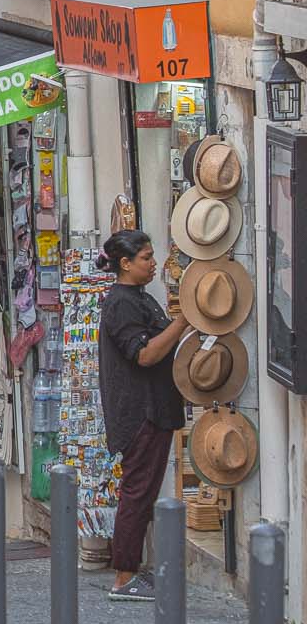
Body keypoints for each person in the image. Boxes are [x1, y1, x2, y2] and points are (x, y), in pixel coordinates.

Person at [97, 229, 189, 602]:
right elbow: (145, 354)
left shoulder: (139, 297)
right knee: (136, 492)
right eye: (147, 258)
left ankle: (132, 570)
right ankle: (124, 576)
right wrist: (182, 322)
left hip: (154, 408)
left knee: (143, 491)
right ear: (126, 263)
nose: (153, 263)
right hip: (140, 413)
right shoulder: (121, 303)